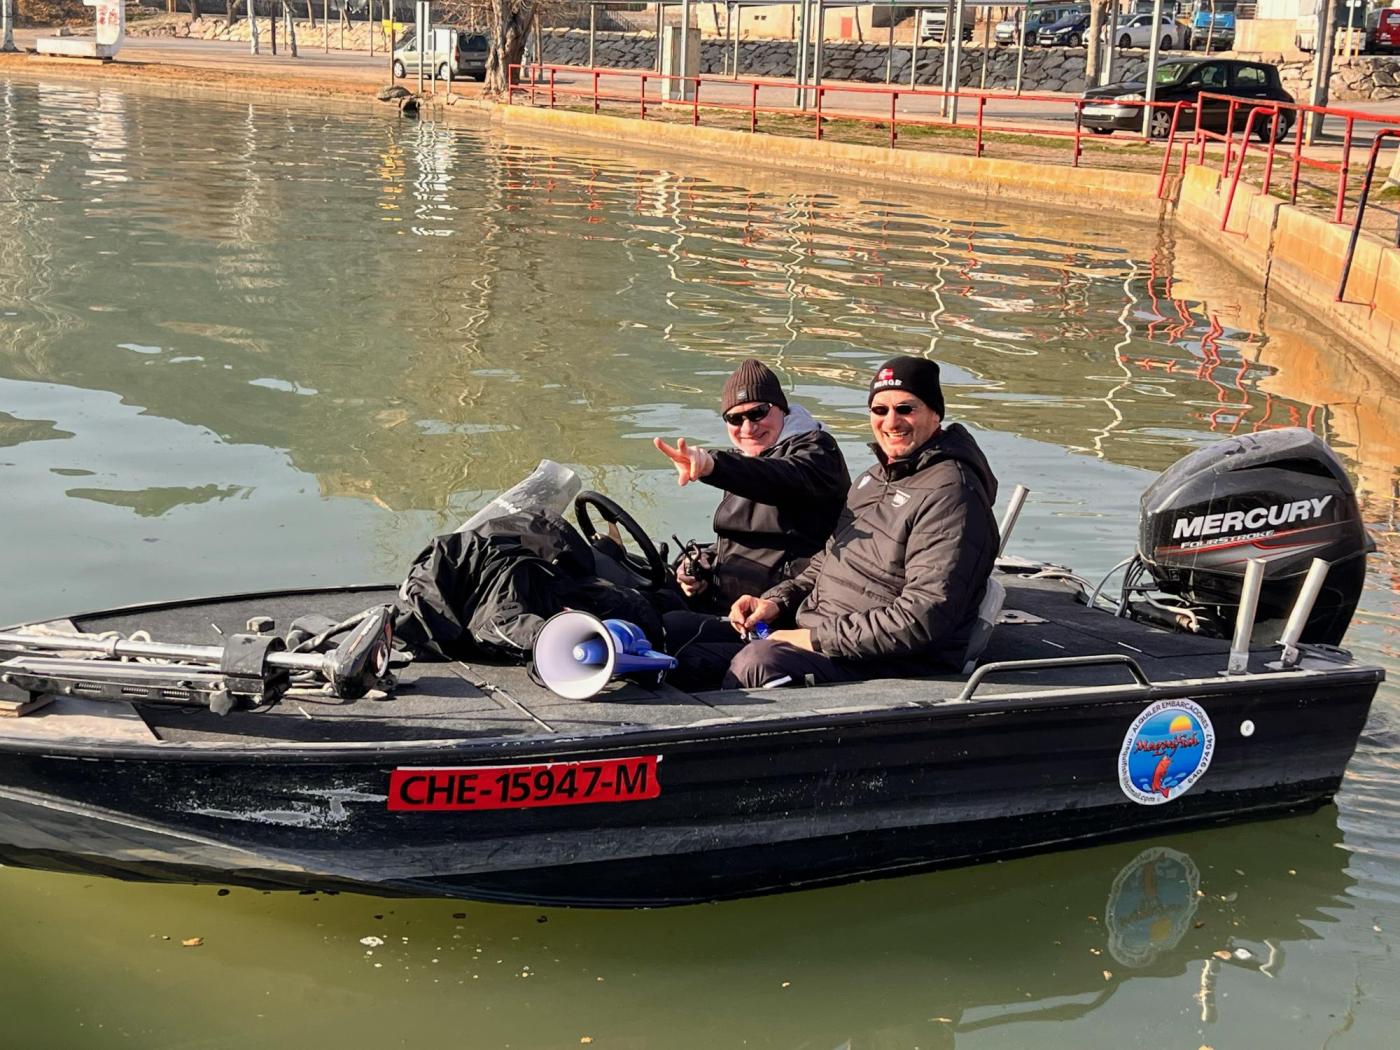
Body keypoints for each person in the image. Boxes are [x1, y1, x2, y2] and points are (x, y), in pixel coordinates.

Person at [722, 355, 999, 689]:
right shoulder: (873, 479)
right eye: (879, 410)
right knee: (687, 638)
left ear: (935, 413)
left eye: (905, 409)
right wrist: (775, 602)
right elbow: (825, 561)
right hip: (826, 632)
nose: (891, 422)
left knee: (757, 664)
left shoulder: (953, 494)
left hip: (893, 663)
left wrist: (812, 638)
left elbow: (922, 617)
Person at [652, 359, 850, 687]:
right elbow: (738, 537)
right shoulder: (746, 460)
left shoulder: (817, 452)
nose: (747, 427)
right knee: (647, 607)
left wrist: (713, 466)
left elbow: (780, 478)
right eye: (735, 418)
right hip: (729, 605)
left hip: (778, 613)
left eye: (758, 413)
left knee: (676, 645)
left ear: (782, 410)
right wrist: (701, 567)